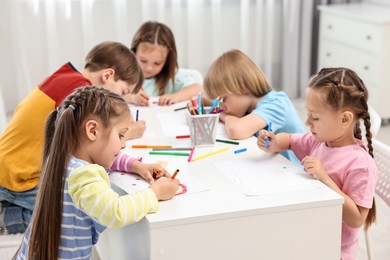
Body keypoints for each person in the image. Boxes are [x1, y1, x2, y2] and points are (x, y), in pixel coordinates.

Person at [14, 86, 179, 259]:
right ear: (93, 131)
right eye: (121, 135)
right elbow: (114, 212)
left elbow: (106, 158)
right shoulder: (83, 175)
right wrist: (155, 193)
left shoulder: (63, 156)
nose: (123, 144)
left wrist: (136, 165)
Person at [0, 41, 147, 234]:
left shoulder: (68, 77)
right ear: (108, 75)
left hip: (8, 165)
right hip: (19, 178)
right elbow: (91, 146)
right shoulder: (80, 93)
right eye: (122, 92)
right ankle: (6, 218)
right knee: (71, 213)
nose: (119, 100)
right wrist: (130, 131)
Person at [257, 67, 377, 260]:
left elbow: (356, 219)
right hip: (307, 234)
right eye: (308, 113)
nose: (307, 122)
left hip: (332, 249)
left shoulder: (361, 165)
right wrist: (273, 142)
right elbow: (289, 140)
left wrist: (325, 178)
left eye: (316, 117)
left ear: (345, 119)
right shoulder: (320, 141)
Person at [203, 49, 305, 164]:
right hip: (271, 166)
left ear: (243, 86)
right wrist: (206, 101)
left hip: (295, 172)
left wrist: (225, 116)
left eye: (223, 99)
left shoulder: (276, 104)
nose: (221, 106)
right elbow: (205, 98)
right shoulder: (245, 104)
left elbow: (235, 130)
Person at [124, 21, 203, 106]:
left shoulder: (172, 78)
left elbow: (198, 89)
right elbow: (111, 94)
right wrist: (131, 97)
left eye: (157, 63)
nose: (149, 68)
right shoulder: (124, 74)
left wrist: (174, 96)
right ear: (133, 52)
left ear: (167, 61)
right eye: (143, 61)